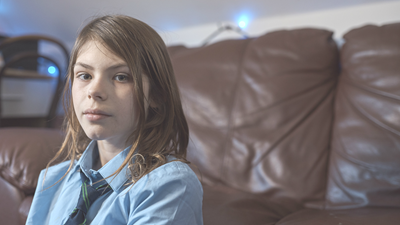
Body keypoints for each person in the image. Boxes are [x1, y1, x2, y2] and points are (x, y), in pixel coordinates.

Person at [26, 15, 203, 225]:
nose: (94, 91)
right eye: (85, 75)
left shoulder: (169, 185)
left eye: (120, 77)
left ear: (157, 95)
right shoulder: (51, 179)